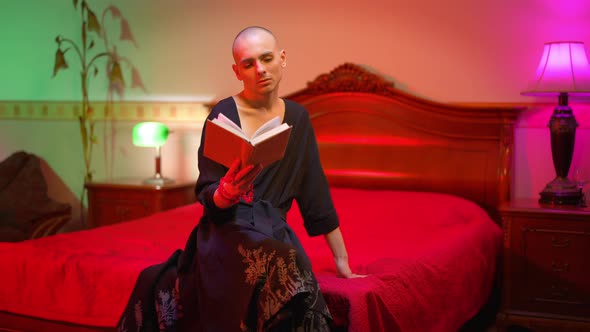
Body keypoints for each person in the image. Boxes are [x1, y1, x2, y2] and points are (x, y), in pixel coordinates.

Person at [116, 26, 359, 332]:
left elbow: (315, 195)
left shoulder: (299, 118)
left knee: (287, 258)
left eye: (267, 59)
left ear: (282, 59)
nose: (260, 70)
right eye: (248, 64)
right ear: (237, 71)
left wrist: (342, 262)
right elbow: (207, 191)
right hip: (225, 230)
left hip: (271, 231)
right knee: (284, 260)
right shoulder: (223, 114)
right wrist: (226, 193)